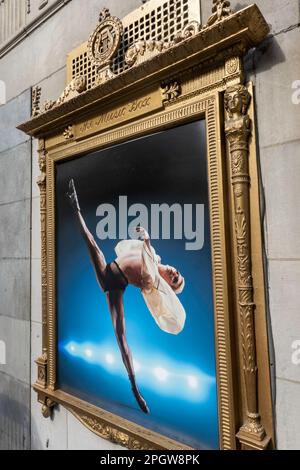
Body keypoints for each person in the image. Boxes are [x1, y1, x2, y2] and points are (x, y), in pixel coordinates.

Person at [66, 179, 186, 414]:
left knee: (121, 338)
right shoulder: (157, 258)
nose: (174, 273)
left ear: (169, 287)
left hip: (112, 282)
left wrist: (147, 238)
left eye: (175, 280)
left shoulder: (154, 280)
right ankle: (74, 203)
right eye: (177, 273)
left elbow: (149, 265)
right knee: (90, 241)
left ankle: (135, 390)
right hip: (111, 266)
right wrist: (146, 240)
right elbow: (150, 254)